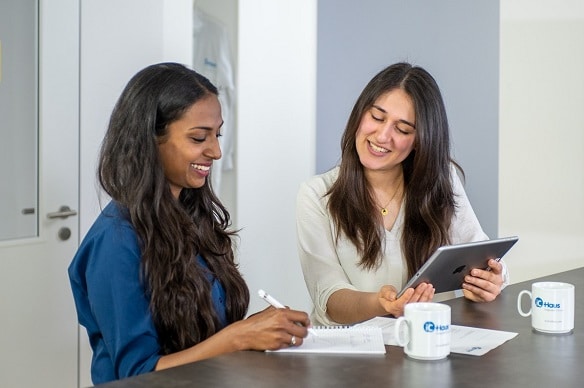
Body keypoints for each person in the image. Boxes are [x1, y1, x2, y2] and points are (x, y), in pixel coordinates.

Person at [68, 62, 310, 384]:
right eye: (199, 138)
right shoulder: (116, 241)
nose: (217, 151)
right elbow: (137, 374)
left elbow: (202, 337)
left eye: (218, 134)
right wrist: (238, 337)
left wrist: (257, 330)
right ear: (150, 139)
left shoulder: (189, 215)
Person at [296, 62, 509, 326]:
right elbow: (328, 299)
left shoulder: (441, 181)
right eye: (377, 117)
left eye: (403, 129)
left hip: (428, 343)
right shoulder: (316, 194)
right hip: (350, 357)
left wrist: (491, 280)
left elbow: (481, 254)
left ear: (421, 140)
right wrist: (382, 304)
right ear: (360, 114)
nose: (383, 136)